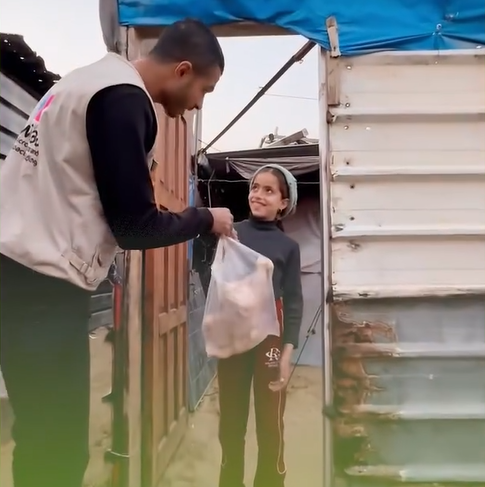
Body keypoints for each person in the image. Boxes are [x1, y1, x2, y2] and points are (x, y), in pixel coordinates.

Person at [0, 19, 234, 487]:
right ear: (183, 70)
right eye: (204, 90)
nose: (197, 105)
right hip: (41, 291)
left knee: (39, 433)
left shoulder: (83, 82)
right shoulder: (124, 99)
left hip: (17, 273)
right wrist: (207, 219)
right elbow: (134, 226)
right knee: (57, 448)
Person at [217, 164, 304, 487]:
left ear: (284, 203)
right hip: (233, 335)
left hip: (269, 338)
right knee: (231, 421)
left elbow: (293, 301)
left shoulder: (288, 247)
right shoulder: (231, 234)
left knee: (270, 421)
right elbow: (214, 279)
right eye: (255, 187)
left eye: (269, 190)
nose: (258, 194)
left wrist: (287, 352)